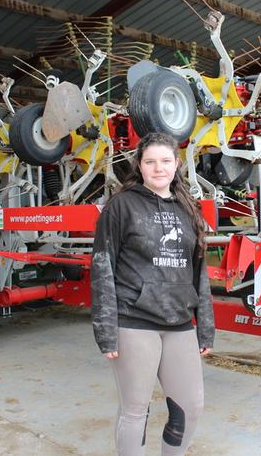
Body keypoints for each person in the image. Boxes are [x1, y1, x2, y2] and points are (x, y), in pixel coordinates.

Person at [91, 132, 215, 456]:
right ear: (140, 165)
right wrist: (105, 331)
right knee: (136, 410)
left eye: (165, 161)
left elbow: (199, 269)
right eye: (150, 161)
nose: (158, 168)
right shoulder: (121, 206)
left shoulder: (189, 208)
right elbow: (102, 265)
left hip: (178, 320)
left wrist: (206, 326)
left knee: (191, 406)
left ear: (176, 164)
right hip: (134, 320)